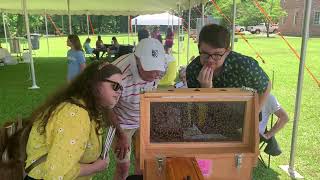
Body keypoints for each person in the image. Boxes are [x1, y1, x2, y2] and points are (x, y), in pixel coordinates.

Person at [24, 62, 123, 179]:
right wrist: (96, 167)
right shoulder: (75, 115)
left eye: (121, 87)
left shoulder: (86, 108)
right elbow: (56, 173)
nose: (119, 92)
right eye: (115, 86)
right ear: (95, 83)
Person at [111, 38, 167, 180]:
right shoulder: (117, 75)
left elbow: (153, 90)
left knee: (143, 163)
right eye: (150, 69)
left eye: (158, 70)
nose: (155, 75)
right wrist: (121, 135)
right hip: (121, 124)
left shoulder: (160, 68)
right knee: (123, 167)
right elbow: (106, 108)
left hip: (144, 120)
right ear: (136, 60)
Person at [186, 24, 271, 110]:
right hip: (212, 118)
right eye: (205, 53)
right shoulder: (193, 70)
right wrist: (206, 90)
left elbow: (266, 85)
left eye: (217, 54)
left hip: (243, 115)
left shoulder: (244, 65)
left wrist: (256, 113)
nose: (210, 60)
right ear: (199, 48)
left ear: (227, 51)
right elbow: (198, 110)